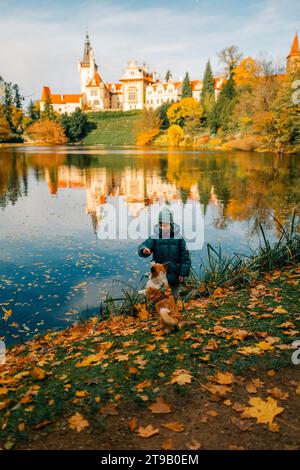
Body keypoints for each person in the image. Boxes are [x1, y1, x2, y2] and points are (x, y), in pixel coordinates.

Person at [138, 207, 191, 299]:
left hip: (175, 275)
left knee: (173, 297)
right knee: (158, 297)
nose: (163, 228)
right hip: (159, 276)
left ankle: (175, 306)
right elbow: (143, 246)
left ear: (171, 225)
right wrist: (144, 250)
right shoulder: (154, 237)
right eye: (161, 225)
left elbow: (185, 258)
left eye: (166, 225)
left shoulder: (179, 239)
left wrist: (183, 273)